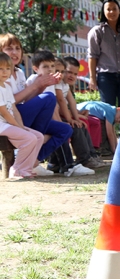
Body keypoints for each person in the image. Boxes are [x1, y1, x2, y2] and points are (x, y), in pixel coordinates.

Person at [1, 34, 71, 176]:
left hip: (21, 114)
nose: (15, 52)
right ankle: (26, 163)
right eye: (9, 48)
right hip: (8, 118)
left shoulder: (19, 72)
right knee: (49, 98)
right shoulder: (2, 75)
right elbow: (8, 103)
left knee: (65, 129)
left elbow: (26, 100)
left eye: (18, 48)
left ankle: (33, 160)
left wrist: (41, 86)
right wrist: (36, 86)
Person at [53, 58, 107, 169]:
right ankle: (84, 159)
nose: (71, 76)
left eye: (75, 74)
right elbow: (60, 105)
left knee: (81, 125)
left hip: (61, 117)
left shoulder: (65, 86)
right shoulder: (56, 85)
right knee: (76, 127)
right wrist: (72, 119)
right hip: (54, 118)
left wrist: (77, 116)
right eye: (68, 72)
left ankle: (91, 155)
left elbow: (71, 103)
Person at [87, 0, 120, 108]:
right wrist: (92, 78)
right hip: (106, 76)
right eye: (108, 9)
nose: (112, 12)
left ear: (119, 11)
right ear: (103, 12)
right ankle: (109, 126)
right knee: (108, 109)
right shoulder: (97, 31)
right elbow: (92, 56)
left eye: (114, 9)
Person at [0, 52, 44, 180]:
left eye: (8, 68)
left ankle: (26, 168)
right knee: (29, 138)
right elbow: (3, 111)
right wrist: (17, 126)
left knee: (38, 136)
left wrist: (21, 126)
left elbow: (13, 109)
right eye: (0, 68)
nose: (5, 72)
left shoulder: (6, 87)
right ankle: (17, 169)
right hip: (2, 124)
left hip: (8, 124)